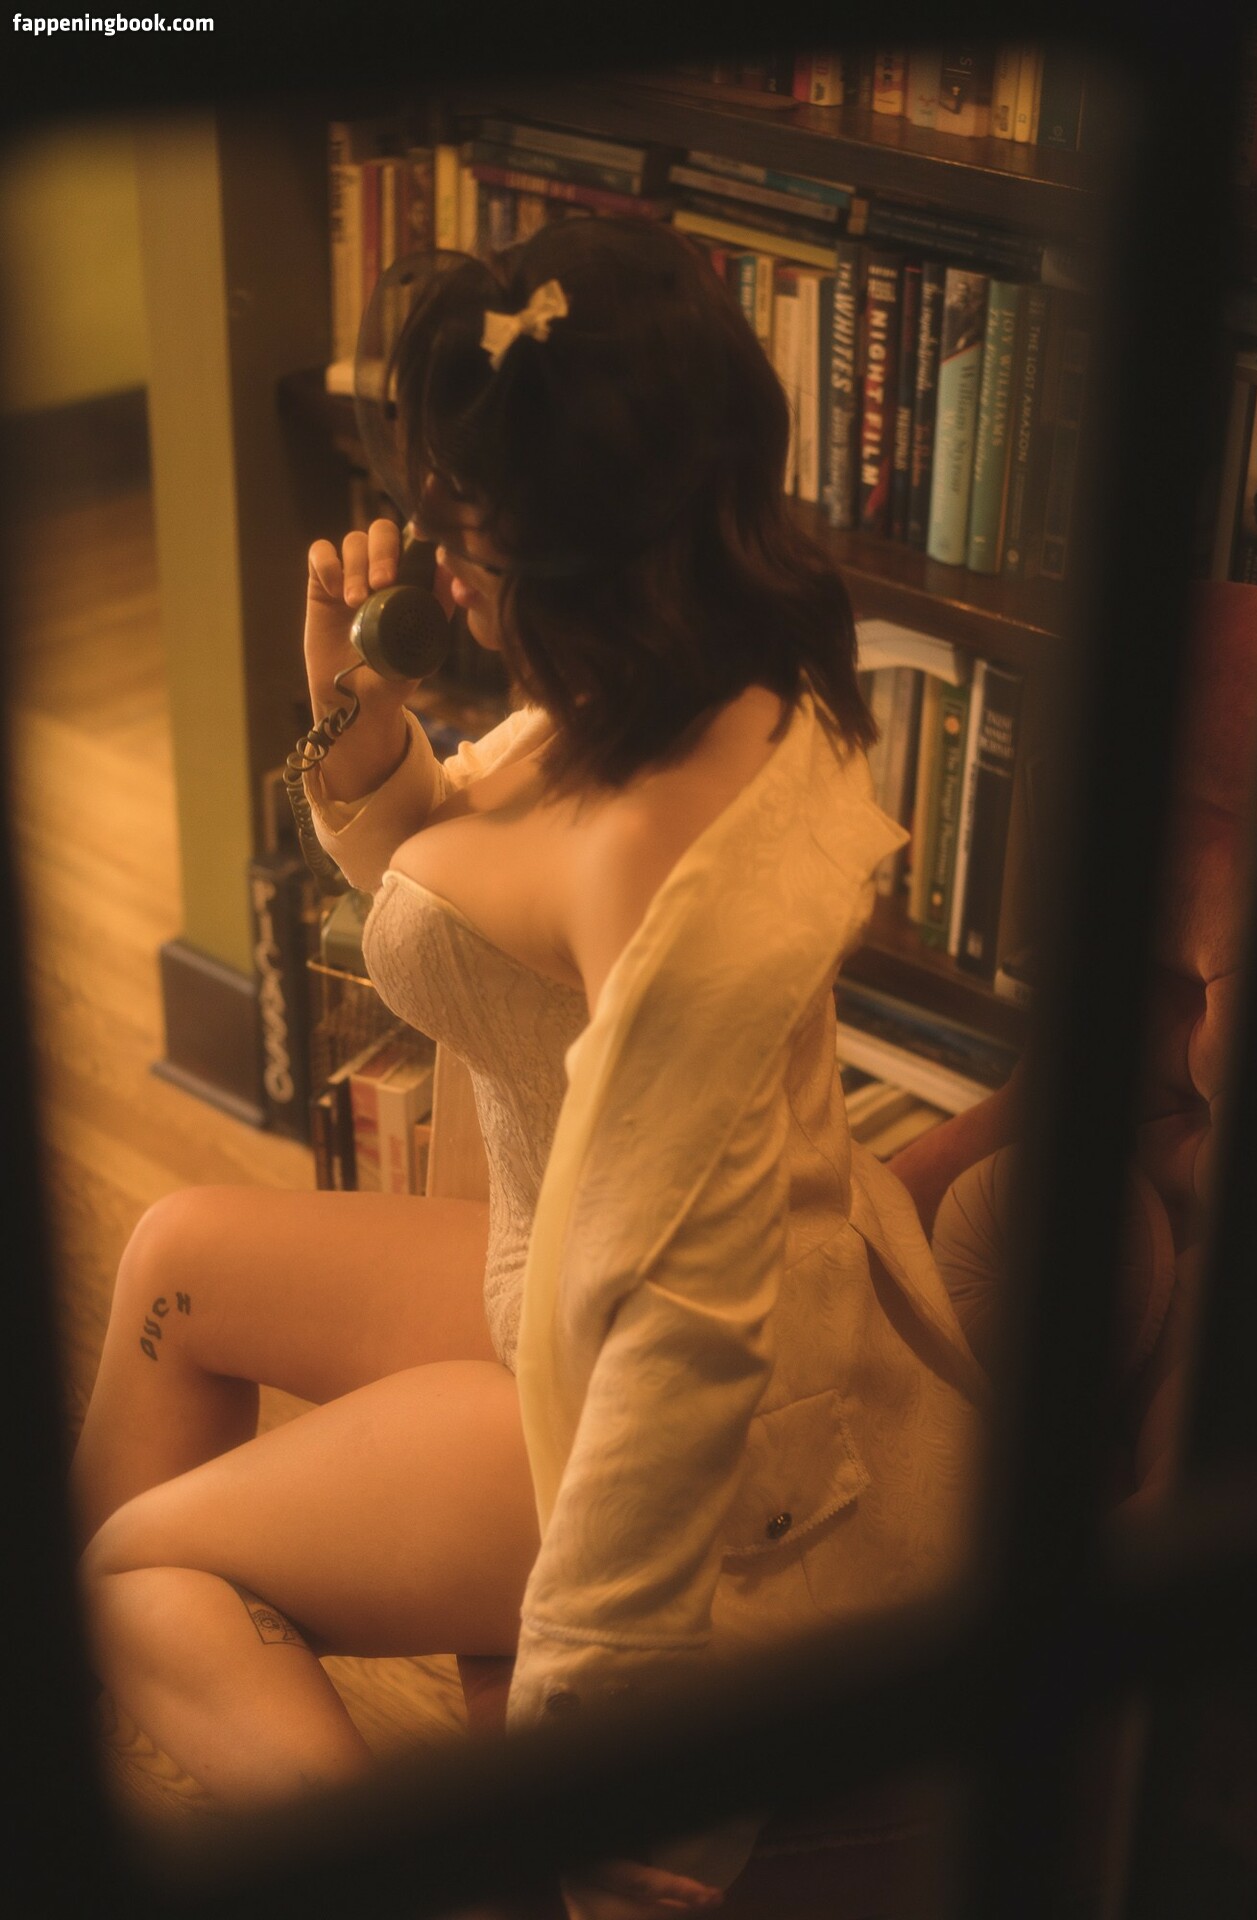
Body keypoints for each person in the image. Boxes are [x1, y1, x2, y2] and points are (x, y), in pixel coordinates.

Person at [72, 216, 981, 1917]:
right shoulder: (687, 669)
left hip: (661, 1414)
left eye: (466, 527)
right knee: (175, 1252)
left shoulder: (656, 856)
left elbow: (677, 1350)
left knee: (125, 1576)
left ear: (574, 553)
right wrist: (352, 710)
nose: (441, 560)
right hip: (550, 1279)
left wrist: (580, 1809)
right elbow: (460, 876)